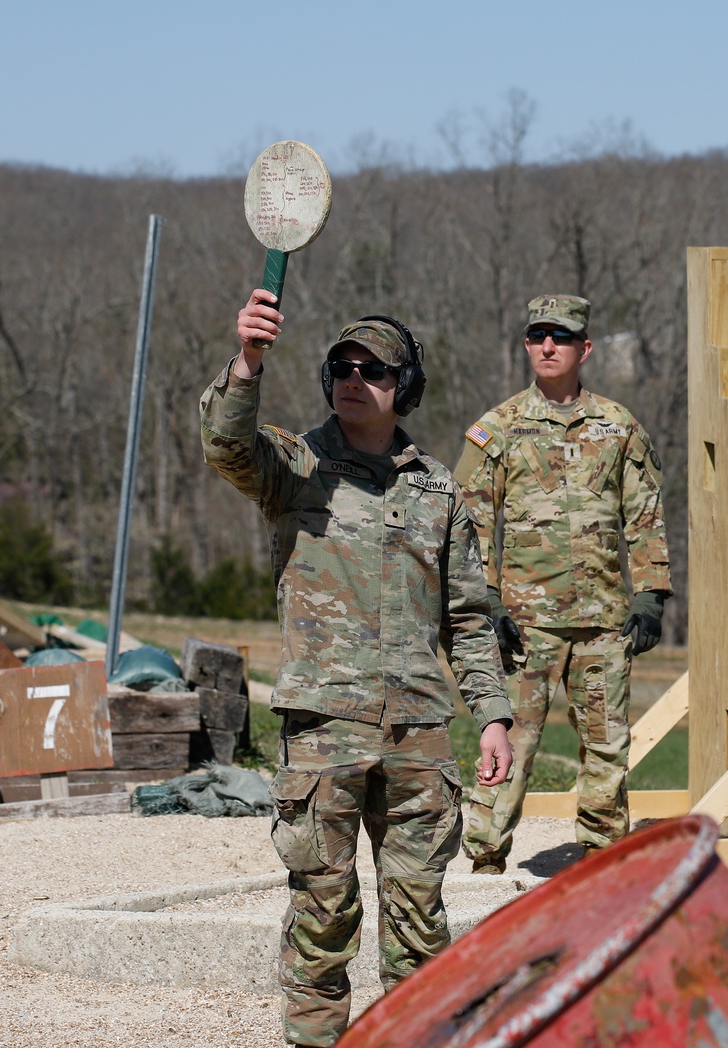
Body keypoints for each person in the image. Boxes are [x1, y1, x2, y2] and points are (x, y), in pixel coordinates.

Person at [200, 290, 513, 1048]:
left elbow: (468, 617)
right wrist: (247, 361)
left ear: (403, 388)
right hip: (324, 732)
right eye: (341, 367)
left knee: (419, 924)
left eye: (373, 370)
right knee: (323, 914)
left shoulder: (439, 490)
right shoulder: (296, 467)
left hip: (418, 738)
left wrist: (494, 715)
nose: (354, 379)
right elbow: (225, 444)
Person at [456, 293, 671, 874]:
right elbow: (469, 522)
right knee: (513, 743)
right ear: (527, 345)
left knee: (606, 744)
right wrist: (487, 600)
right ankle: (485, 860)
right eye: (538, 336)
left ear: (585, 349)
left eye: (561, 337)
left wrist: (650, 594)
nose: (548, 346)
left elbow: (644, 512)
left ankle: (602, 860)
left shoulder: (618, 426)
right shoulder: (498, 428)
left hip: (603, 621)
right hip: (526, 623)